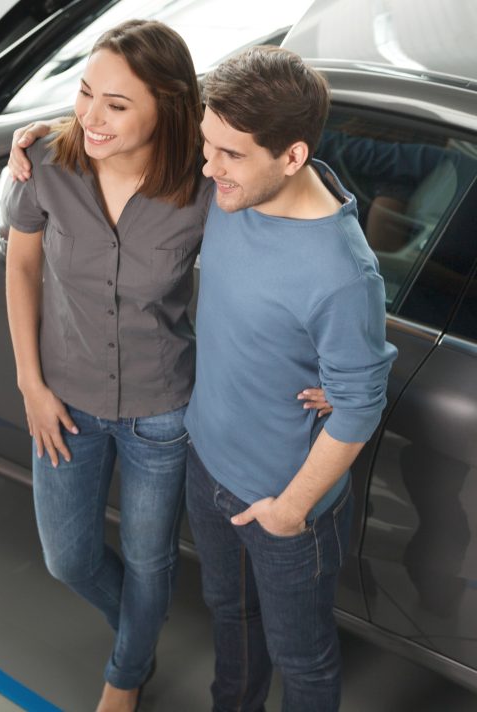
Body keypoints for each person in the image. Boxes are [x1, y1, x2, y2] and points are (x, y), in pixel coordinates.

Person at [3, 21, 330, 712]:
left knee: (152, 562)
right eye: (86, 93)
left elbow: (305, 197)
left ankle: (127, 671)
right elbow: (23, 264)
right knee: (69, 557)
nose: (92, 116)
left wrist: (338, 360)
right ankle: (140, 625)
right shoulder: (47, 163)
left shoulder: (205, 182)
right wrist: (30, 383)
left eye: (117, 105)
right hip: (65, 400)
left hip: (164, 410)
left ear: (168, 106)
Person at [184, 47, 396, 711]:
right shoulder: (236, 187)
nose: (209, 167)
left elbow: (360, 407)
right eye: (207, 145)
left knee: (302, 662)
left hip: (285, 509)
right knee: (229, 618)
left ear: (293, 156)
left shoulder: (340, 275)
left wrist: (289, 511)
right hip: (207, 465)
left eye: (229, 154)